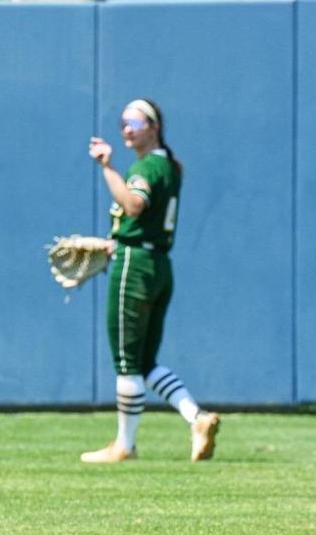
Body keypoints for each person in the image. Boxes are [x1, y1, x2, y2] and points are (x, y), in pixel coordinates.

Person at [81, 98, 220, 464]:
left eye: (136, 122)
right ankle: (197, 418)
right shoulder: (169, 166)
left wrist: (107, 166)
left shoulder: (148, 166)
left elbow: (134, 205)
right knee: (146, 362)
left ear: (154, 127)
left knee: (127, 360)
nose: (127, 128)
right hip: (159, 263)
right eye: (123, 121)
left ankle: (124, 445)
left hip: (136, 263)